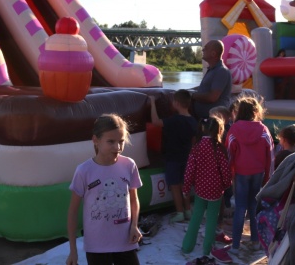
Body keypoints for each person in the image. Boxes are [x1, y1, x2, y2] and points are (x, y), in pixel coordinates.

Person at [66, 114, 142, 265]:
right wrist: (73, 250)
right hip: (96, 247)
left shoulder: (129, 165)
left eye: (121, 141)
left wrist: (134, 226)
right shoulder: (84, 171)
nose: (117, 147)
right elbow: (73, 212)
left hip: (125, 242)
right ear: (96, 140)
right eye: (111, 141)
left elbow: (134, 199)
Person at [181, 117, 232, 263]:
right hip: (215, 190)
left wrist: (186, 187)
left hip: (200, 189)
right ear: (218, 131)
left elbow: (190, 169)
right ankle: (207, 249)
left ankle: (187, 246)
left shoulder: (196, 147)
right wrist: (226, 185)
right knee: (211, 220)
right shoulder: (219, 148)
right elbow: (225, 171)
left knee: (196, 217)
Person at [226, 96, 273, 254]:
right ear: (256, 111)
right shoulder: (264, 130)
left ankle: (235, 246)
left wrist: (229, 174)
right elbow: (270, 155)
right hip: (258, 173)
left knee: (240, 207)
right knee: (254, 206)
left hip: (241, 173)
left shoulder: (234, 129)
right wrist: (268, 177)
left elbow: (229, 153)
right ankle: (255, 241)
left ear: (240, 111)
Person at [149, 90, 197, 223]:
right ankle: (188, 210)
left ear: (176, 103)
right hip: (186, 158)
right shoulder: (193, 121)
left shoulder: (174, 120)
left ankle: (179, 212)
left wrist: (152, 103)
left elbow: (155, 122)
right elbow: (194, 141)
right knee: (185, 185)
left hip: (173, 158)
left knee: (175, 186)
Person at [210, 105, 233, 245]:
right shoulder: (223, 132)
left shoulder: (225, 132)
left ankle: (218, 227)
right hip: (219, 172)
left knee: (222, 198)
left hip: (220, 172)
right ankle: (216, 227)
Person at [191, 40, 233, 119]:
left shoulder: (221, 71)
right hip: (204, 118)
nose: (203, 50)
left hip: (214, 121)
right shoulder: (212, 70)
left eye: (206, 48)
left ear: (213, 53)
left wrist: (192, 95)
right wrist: (188, 91)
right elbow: (205, 88)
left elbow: (212, 97)